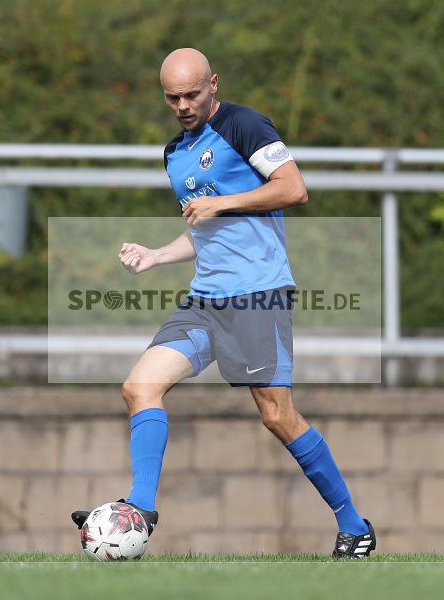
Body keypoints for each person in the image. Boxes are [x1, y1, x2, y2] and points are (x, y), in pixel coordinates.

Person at [72, 48, 375, 559]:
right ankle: (140, 509)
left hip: (256, 296)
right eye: (173, 97)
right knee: (138, 386)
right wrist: (156, 255)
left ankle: (355, 525)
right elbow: (206, 232)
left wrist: (223, 200)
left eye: (193, 93)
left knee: (278, 416)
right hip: (205, 300)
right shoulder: (175, 153)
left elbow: (294, 189)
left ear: (214, 84)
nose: (184, 104)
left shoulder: (244, 125)